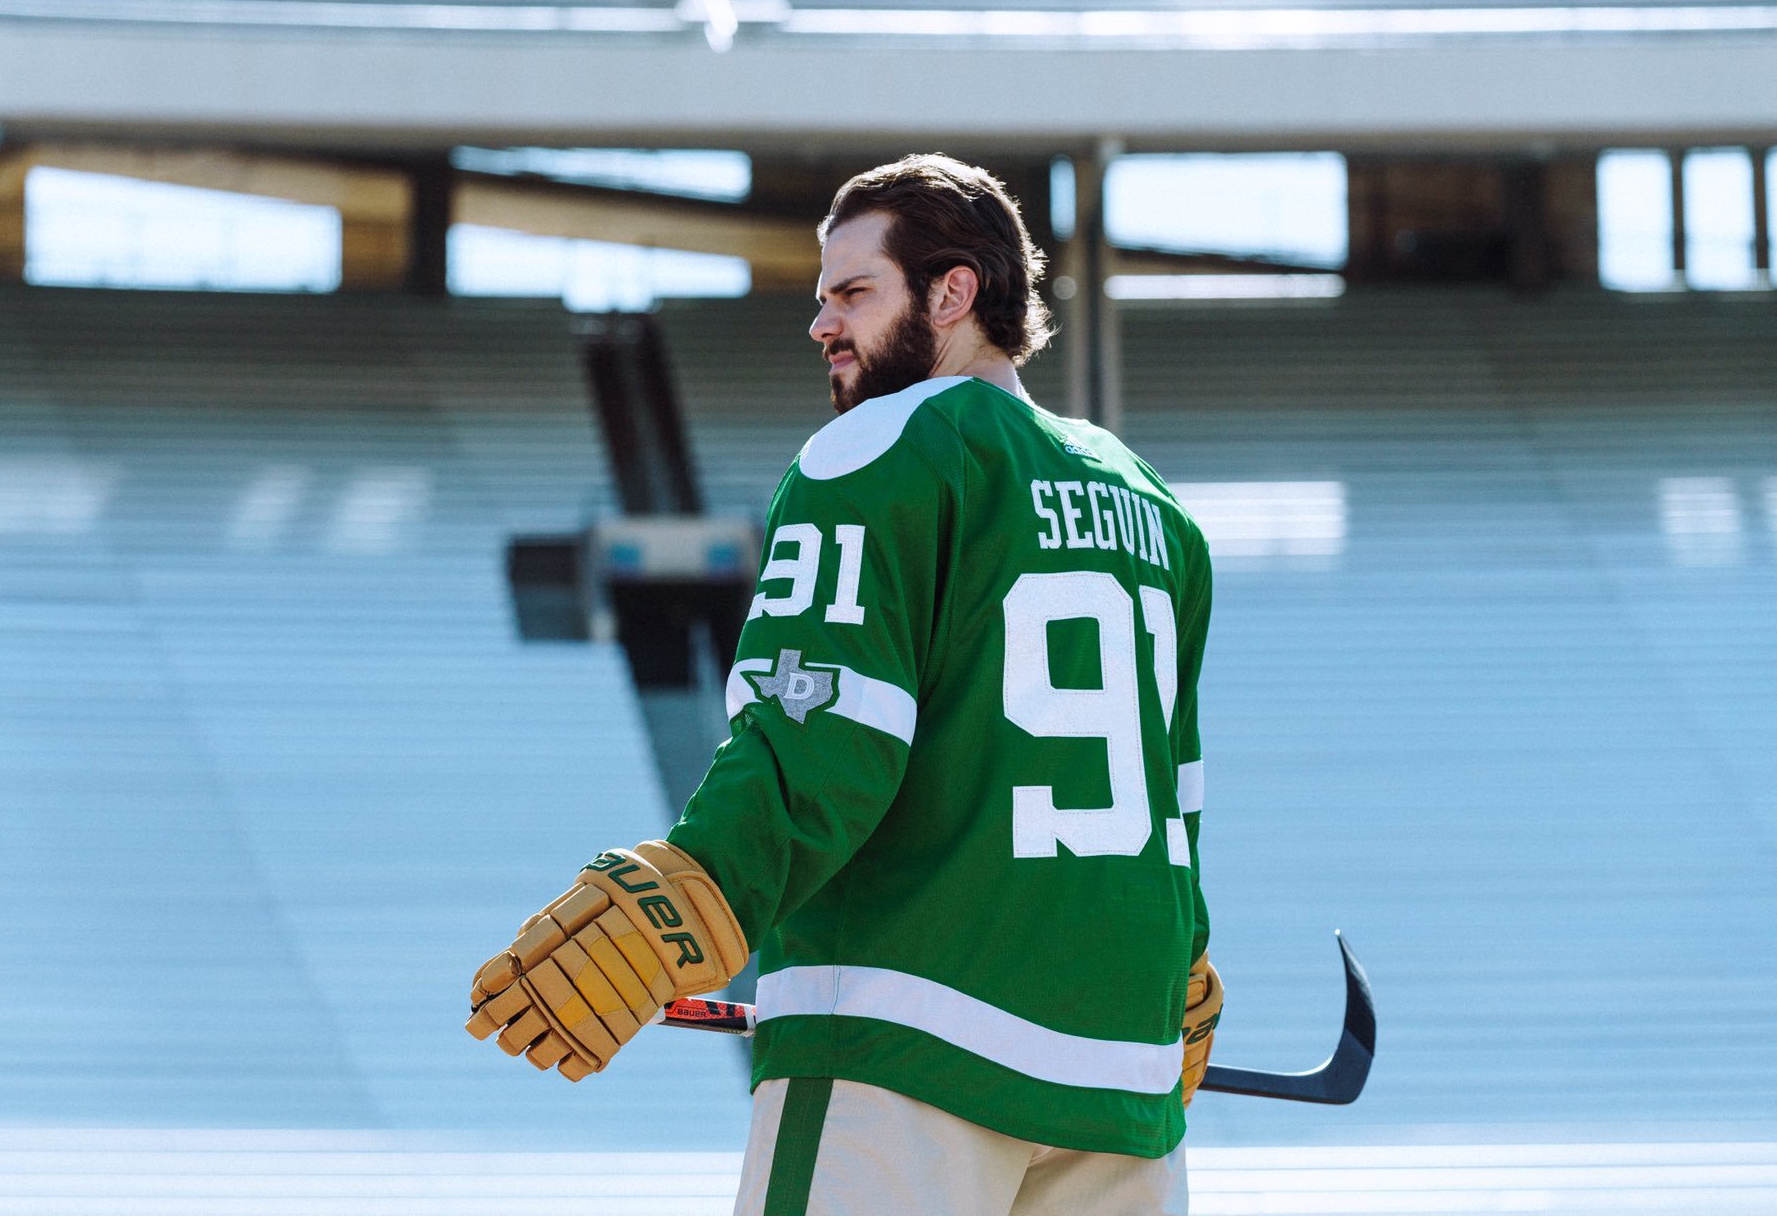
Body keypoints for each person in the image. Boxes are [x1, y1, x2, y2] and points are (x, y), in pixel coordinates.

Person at [468, 153, 1221, 1215]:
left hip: (902, 1049)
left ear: (952, 293)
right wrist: (1177, 967)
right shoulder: (1149, 504)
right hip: (1120, 1072)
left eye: (853, 293)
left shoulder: (876, 447)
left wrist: (695, 894)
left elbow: (815, 739)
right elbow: (1172, 794)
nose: (822, 325)